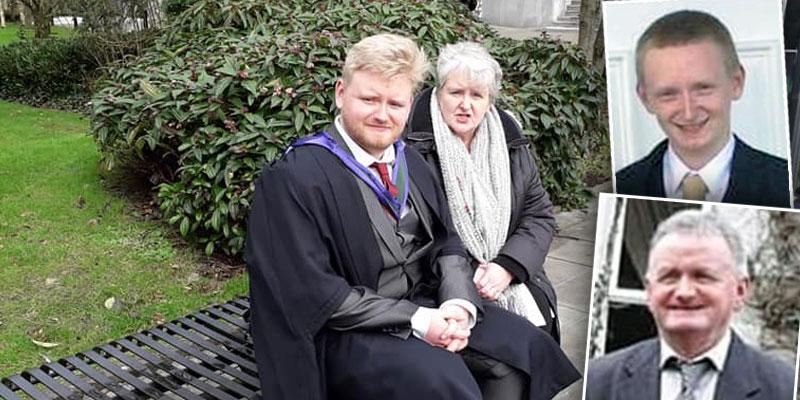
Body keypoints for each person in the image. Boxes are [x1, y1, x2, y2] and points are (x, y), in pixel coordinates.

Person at [245, 33, 580, 400]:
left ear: (409, 106)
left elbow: (448, 243)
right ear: (341, 93)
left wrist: (458, 303)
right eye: (369, 99)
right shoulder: (295, 178)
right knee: (444, 381)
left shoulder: (411, 162)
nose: (382, 114)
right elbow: (313, 292)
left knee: (523, 351)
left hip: (427, 302)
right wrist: (419, 321)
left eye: (396, 103)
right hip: (346, 331)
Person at [405, 42, 561, 341]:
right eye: (456, 93)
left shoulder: (510, 142)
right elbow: (417, 234)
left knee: (540, 338)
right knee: (507, 357)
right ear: (439, 93)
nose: (466, 105)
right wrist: (469, 274)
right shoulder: (413, 143)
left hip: (512, 273)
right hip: (440, 286)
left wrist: (507, 267)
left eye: (476, 95)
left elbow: (538, 215)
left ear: (490, 101)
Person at [585, 210, 794, 400]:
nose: (684, 292)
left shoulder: (783, 387)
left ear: (740, 291)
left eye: (703, 276)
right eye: (669, 277)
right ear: (649, 291)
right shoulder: (598, 381)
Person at [614, 10, 790, 208]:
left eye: (703, 88)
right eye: (669, 94)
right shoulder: (621, 187)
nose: (688, 113)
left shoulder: (785, 186)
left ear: (736, 83)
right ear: (645, 98)